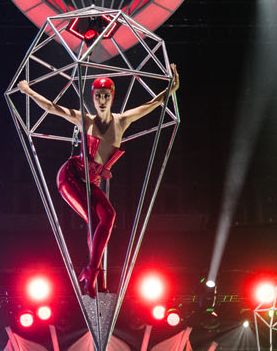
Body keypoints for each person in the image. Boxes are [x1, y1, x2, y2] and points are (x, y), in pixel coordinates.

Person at [16, 68, 180, 294]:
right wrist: (28, 91)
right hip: (70, 176)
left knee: (108, 217)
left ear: (112, 97)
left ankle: (92, 272)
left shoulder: (122, 121)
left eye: (106, 96)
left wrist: (170, 90)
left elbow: (151, 104)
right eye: (98, 96)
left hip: (90, 183)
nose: (102, 101)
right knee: (96, 220)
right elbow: (52, 108)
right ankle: (93, 274)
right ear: (92, 98)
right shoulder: (85, 120)